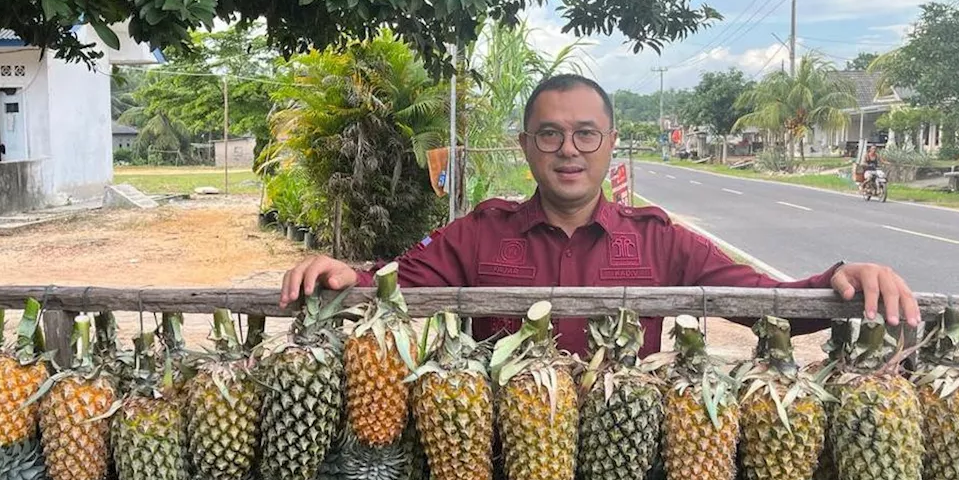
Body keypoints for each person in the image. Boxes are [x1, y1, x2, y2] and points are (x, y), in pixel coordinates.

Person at [280, 74, 921, 355]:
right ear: (526, 147)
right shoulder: (478, 233)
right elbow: (393, 284)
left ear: (611, 143)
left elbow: (765, 302)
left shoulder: (660, 243)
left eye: (586, 134)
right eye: (550, 134)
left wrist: (844, 277)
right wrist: (341, 273)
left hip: (622, 451)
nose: (569, 150)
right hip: (506, 455)